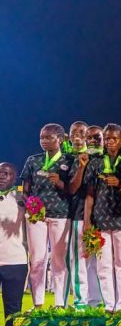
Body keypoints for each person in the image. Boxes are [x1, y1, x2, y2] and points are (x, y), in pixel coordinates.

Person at [21, 123, 72, 308]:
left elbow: (73, 190)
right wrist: (31, 207)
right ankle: (38, 304)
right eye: (42, 137)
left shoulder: (70, 161)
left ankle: (60, 304)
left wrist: (60, 183)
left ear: (61, 139)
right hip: (37, 218)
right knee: (37, 260)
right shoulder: (33, 160)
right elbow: (25, 190)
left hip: (61, 214)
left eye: (49, 137)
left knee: (59, 261)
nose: (44, 141)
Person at [83, 124, 121, 311]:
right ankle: (109, 304)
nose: (110, 142)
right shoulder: (95, 163)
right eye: (107, 138)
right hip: (100, 220)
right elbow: (89, 195)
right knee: (103, 265)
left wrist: (120, 183)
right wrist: (87, 222)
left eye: (114, 139)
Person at [66, 121, 101, 306]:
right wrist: (81, 166)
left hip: (105, 219)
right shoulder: (79, 159)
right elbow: (72, 188)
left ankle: (96, 301)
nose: (92, 141)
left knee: (99, 262)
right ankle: (80, 301)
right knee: (80, 259)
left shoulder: (106, 159)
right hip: (80, 216)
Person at [0, 162, 27, 326]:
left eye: (6, 173)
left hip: (15, 262)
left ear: (14, 177)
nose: (2, 176)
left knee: (13, 310)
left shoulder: (23, 199)